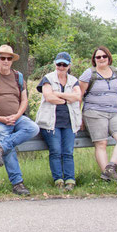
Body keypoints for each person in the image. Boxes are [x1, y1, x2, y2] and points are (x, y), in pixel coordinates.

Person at [0, 44, 39, 196]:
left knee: (33, 128)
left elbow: (24, 100)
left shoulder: (18, 77)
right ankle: (17, 183)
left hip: (16, 118)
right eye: (2, 58)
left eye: (8, 58)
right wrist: (0, 118)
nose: (5, 61)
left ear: (12, 60)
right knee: (7, 142)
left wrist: (17, 116)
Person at [79, 46, 117, 183]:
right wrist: (79, 117)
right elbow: (79, 96)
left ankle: (110, 168)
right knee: (101, 143)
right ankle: (107, 177)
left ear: (109, 58)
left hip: (115, 112)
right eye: (98, 57)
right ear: (94, 60)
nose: (101, 59)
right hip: (94, 111)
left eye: (104, 56)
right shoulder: (89, 74)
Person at [35, 52, 82, 191]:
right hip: (50, 122)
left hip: (69, 121)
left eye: (64, 64)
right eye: (59, 64)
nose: (61, 67)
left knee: (68, 151)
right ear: (55, 64)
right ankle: (58, 180)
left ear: (69, 66)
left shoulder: (73, 80)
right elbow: (49, 97)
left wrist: (59, 95)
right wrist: (68, 98)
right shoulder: (47, 79)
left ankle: (70, 179)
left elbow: (78, 96)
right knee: (55, 151)